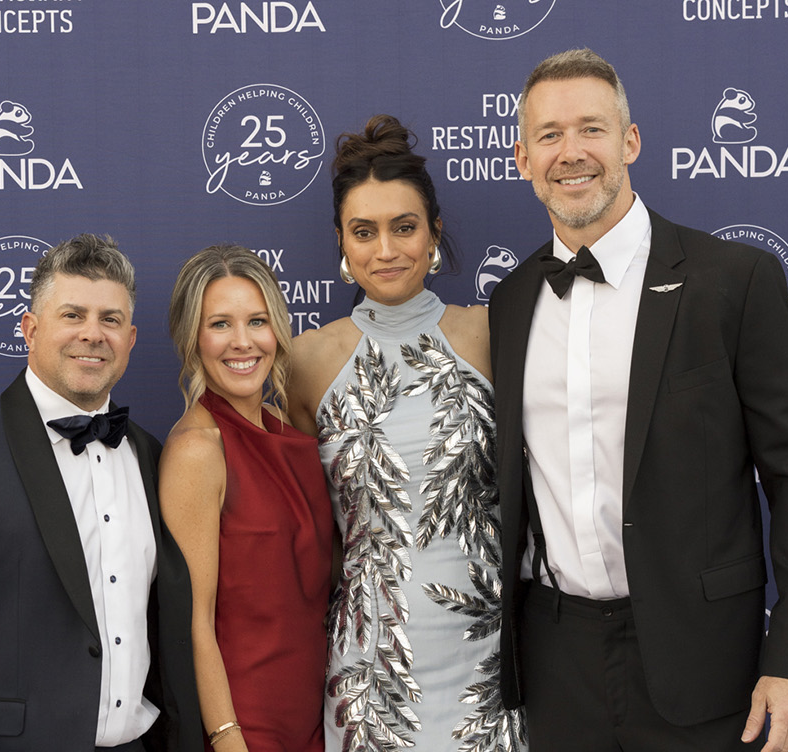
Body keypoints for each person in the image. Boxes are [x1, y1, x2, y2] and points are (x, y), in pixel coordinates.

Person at [490, 49, 788, 752]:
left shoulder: (733, 280)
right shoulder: (511, 300)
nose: (571, 152)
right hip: (556, 665)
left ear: (630, 142)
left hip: (704, 658)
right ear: (523, 158)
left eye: (592, 129)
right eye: (550, 135)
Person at [0, 233, 201, 752]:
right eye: (73, 315)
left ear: (131, 338)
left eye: (110, 319)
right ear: (30, 328)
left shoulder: (151, 455)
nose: (93, 334)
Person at [288, 115, 526, 752]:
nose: (386, 250)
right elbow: (299, 524)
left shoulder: (491, 334)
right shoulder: (305, 361)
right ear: (342, 241)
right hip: (370, 668)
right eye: (364, 231)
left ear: (434, 233)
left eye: (404, 227)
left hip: (489, 663)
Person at [159, 245, 332, 751]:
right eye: (220, 324)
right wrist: (227, 737)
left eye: (257, 321)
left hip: (319, 714)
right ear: (193, 338)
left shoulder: (286, 428)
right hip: (247, 723)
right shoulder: (197, 450)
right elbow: (194, 622)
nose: (243, 342)